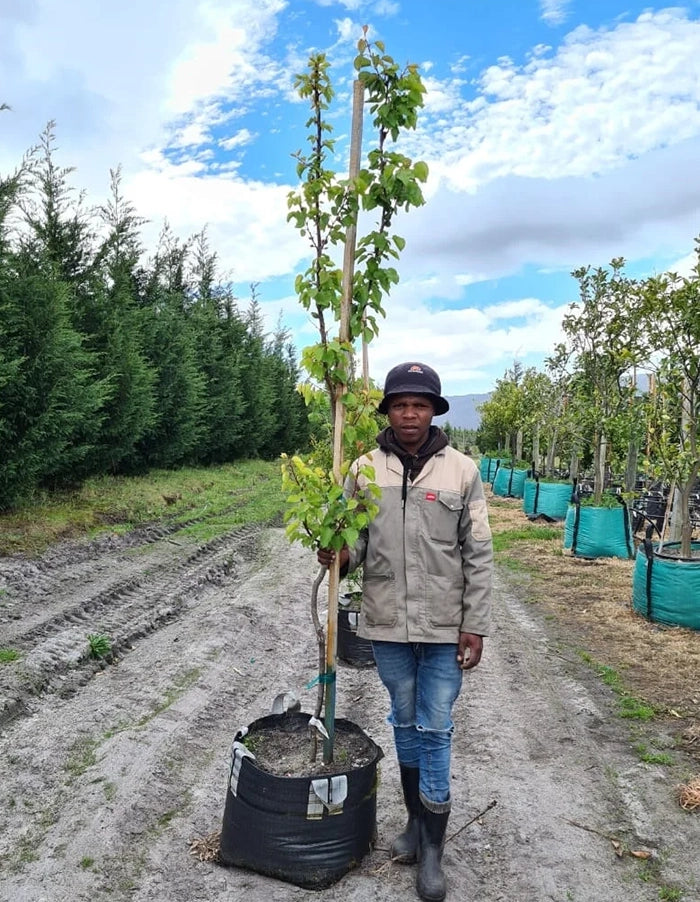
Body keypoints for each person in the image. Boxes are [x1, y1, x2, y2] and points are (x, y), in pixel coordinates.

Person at [318, 361, 493, 902]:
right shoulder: (365, 470)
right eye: (400, 404)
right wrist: (337, 557)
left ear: (434, 411)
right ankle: (416, 827)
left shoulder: (462, 472)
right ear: (388, 411)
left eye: (420, 404)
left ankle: (434, 849)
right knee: (404, 720)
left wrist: (476, 626)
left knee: (435, 725)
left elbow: (478, 554)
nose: (410, 413)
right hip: (388, 623)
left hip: (445, 628)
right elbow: (357, 547)